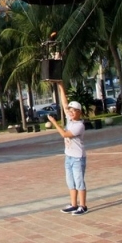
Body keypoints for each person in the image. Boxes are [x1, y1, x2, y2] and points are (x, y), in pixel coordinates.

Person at [47, 83, 88, 216]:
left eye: (73, 110)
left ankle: (83, 206)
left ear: (79, 112)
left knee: (79, 181)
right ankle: (73, 204)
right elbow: (64, 103)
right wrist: (61, 87)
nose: (70, 112)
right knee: (70, 182)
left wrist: (54, 123)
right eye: (70, 110)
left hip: (77, 158)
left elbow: (65, 134)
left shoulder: (79, 125)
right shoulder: (70, 119)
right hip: (69, 157)